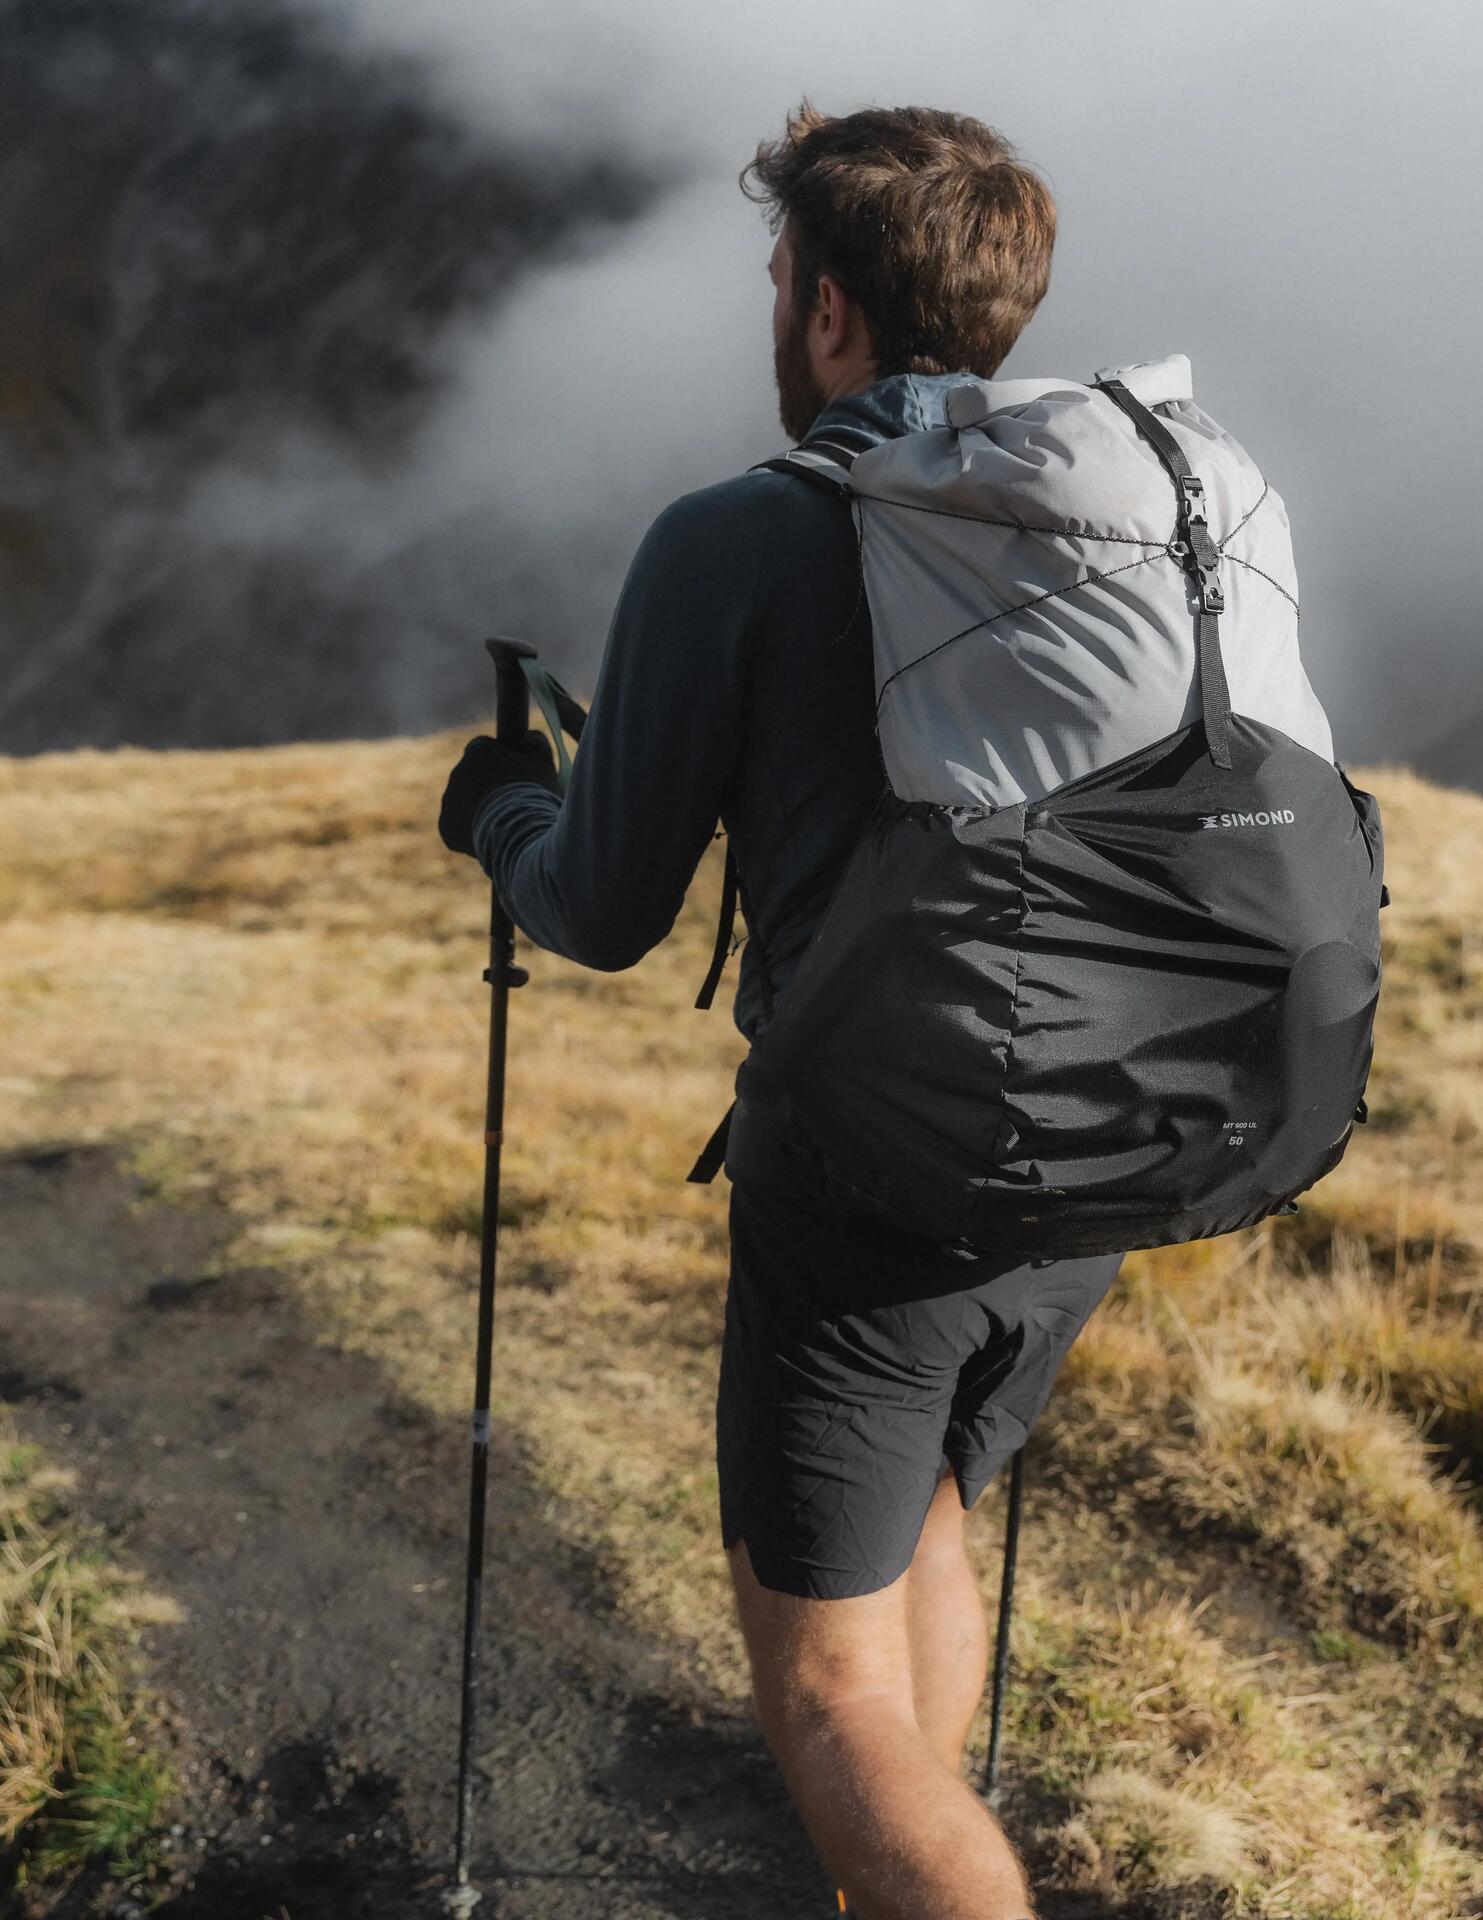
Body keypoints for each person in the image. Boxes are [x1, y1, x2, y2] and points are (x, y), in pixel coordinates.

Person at [437, 102, 1117, 1920]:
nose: (769, 311)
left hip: (871, 1174)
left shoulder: (738, 538)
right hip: (1095, 1160)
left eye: (774, 279)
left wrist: (499, 812)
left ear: (829, 317)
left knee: (826, 1697)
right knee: (932, 1522)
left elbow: (599, 907)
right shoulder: (1115, 519)